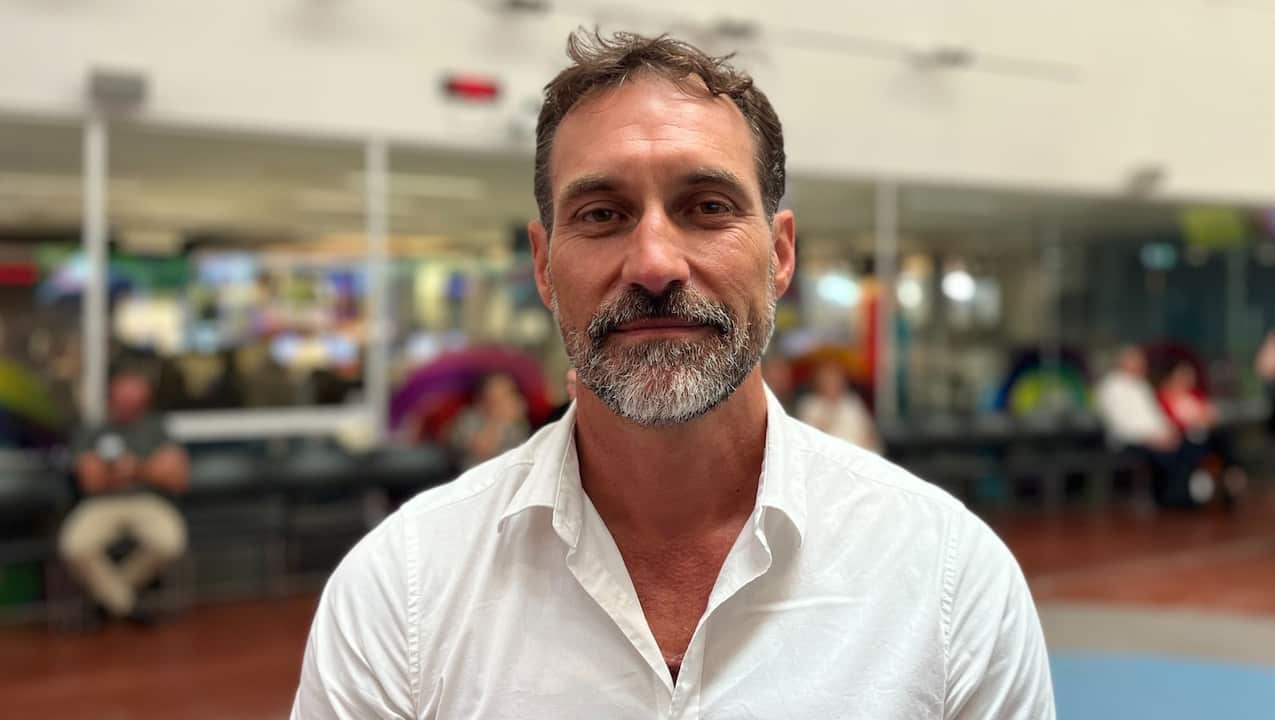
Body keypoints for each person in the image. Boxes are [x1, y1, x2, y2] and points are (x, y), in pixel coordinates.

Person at [294, 31, 1054, 719]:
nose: (655, 264)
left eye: (707, 206)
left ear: (781, 254)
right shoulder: (404, 592)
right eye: (601, 214)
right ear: (542, 265)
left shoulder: (949, 581)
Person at [58, 365, 190, 622]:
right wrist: (148, 468)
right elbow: (91, 481)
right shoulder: (92, 429)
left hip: (147, 501)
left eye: (138, 385)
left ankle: (107, 600)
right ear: (112, 389)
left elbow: (178, 477)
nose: (132, 393)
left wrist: (135, 469)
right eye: (126, 385)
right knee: (75, 546)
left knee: (169, 542)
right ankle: (127, 606)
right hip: (101, 504)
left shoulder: (156, 428)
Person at [1096, 346, 1206, 506]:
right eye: (1137, 361)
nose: (1142, 365)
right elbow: (1122, 425)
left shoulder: (1141, 386)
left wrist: (1168, 432)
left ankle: (1184, 494)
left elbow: (1156, 416)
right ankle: (1172, 497)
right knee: (1166, 456)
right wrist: (1152, 438)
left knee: (1189, 447)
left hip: (1155, 437)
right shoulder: (1111, 387)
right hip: (1130, 441)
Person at [1155, 359, 1247, 503]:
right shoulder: (1164, 396)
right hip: (1184, 439)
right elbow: (1170, 422)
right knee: (1211, 441)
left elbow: (1211, 415)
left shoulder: (1195, 394)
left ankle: (1232, 472)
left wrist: (1201, 419)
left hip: (1205, 435)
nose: (1189, 378)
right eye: (1184, 374)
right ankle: (1225, 476)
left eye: (1190, 375)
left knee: (1223, 435)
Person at [447, 372, 531, 469]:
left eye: (507, 394)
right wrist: (495, 420)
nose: (502, 402)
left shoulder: (516, 421)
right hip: (476, 472)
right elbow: (482, 449)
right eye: (496, 398)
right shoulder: (470, 419)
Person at [797, 359, 883, 453]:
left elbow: (868, 432)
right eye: (827, 379)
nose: (833, 382)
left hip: (858, 453)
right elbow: (810, 438)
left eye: (836, 378)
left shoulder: (852, 402)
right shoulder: (810, 405)